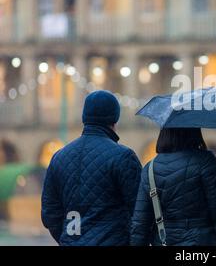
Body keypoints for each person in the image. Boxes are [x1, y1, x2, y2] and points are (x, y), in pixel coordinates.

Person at [41, 90, 142, 246]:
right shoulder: (124, 157)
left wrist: (69, 238)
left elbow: (50, 212)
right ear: (115, 118)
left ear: (84, 117)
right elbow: (140, 211)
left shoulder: (59, 157)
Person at [130, 128, 216, 246]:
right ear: (195, 131)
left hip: (164, 241)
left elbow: (140, 225)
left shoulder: (150, 169)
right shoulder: (206, 161)